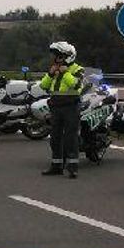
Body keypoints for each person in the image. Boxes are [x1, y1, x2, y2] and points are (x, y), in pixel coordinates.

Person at [38, 41, 86, 177]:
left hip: (71, 106)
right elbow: (43, 85)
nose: (56, 59)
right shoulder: (55, 68)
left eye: (59, 56)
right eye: (55, 56)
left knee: (71, 138)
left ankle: (72, 167)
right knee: (55, 138)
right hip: (56, 107)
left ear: (67, 56)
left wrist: (65, 73)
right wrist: (50, 74)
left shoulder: (77, 69)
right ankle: (56, 166)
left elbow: (76, 85)